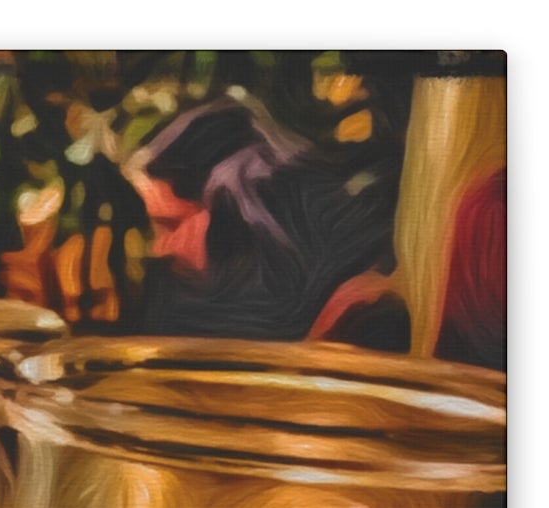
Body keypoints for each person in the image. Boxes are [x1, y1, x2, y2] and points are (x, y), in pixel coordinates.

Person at [126, 97, 397, 341]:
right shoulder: (169, 291)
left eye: (170, 225)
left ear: (231, 211)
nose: (160, 248)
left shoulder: (348, 300)